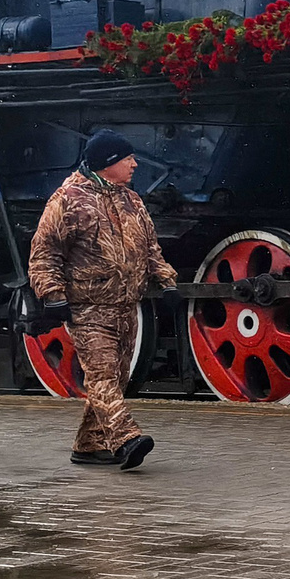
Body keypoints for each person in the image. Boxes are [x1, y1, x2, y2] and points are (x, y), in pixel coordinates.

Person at [28, 130, 176, 471]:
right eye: (128, 159)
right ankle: (126, 438)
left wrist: (167, 283)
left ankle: (89, 445)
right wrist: (53, 295)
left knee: (116, 378)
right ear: (107, 163)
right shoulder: (67, 200)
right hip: (88, 308)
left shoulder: (132, 200)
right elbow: (45, 253)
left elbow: (150, 249)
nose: (135, 164)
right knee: (102, 377)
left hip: (126, 306)